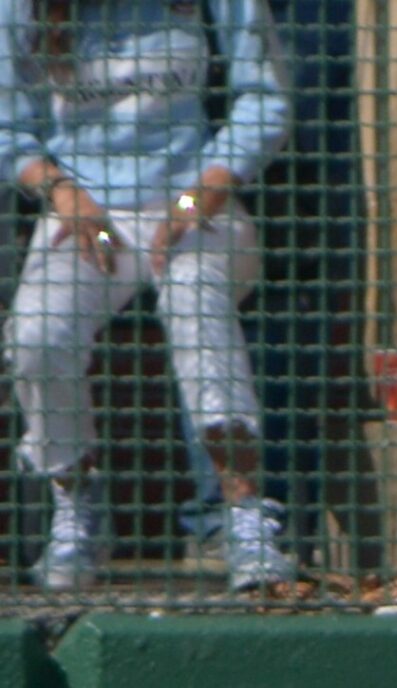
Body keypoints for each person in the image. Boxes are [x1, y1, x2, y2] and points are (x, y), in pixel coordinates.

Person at [1, 0, 299, 591]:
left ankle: (242, 515)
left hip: (193, 202)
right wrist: (60, 189)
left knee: (193, 295)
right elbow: (7, 125)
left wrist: (206, 187)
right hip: (85, 209)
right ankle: (77, 506)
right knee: (35, 335)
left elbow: (266, 97)